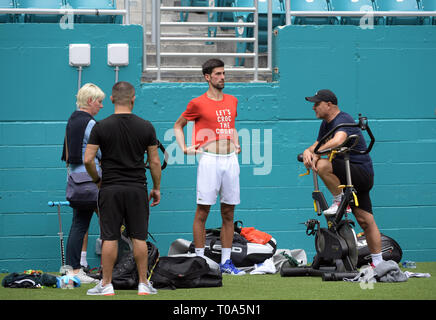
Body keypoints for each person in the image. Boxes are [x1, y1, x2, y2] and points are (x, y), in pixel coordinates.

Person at [84, 81, 161, 296]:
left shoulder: (101, 126)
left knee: (110, 237)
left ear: (111, 99)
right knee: (139, 237)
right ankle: (144, 284)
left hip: (110, 188)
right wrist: (156, 188)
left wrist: (97, 180)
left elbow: (88, 159)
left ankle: (106, 285)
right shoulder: (146, 126)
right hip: (137, 189)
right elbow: (154, 162)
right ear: (133, 99)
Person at [174, 58, 245, 275]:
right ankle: (200, 261)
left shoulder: (232, 100)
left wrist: (236, 142)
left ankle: (226, 262)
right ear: (207, 77)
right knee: (203, 210)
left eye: (224, 73)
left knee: (229, 212)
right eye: (218, 74)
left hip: (230, 160)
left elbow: (230, 126)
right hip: (209, 160)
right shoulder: (197, 103)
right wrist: (184, 147)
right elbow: (178, 125)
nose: (222, 77)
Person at [302, 89, 384, 266]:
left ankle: (339, 200)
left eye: (317, 104)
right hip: (346, 174)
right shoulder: (326, 124)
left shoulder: (343, 120)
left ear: (329, 104)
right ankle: (378, 263)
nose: (313, 107)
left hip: (359, 173)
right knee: (365, 220)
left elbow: (339, 140)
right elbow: (318, 144)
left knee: (322, 165)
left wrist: (316, 153)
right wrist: (308, 151)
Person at [61, 83, 105, 284]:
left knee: (78, 224)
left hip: (75, 179)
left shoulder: (72, 120)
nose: (101, 106)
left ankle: (73, 271)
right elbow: (101, 151)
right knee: (110, 224)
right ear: (90, 101)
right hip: (92, 179)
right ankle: (110, 269)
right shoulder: (90, 123)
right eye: (99, 102)